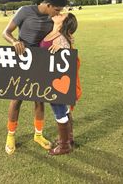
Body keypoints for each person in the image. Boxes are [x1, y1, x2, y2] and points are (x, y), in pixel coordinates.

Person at [2, 0, 67, 155]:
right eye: (57, 10)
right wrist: (15, 41)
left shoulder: (53, 18)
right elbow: (6, 32)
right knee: (17, 99)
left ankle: (38, 135)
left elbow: (63, 35)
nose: (58, 13)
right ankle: (10, 136)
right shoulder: (25, 11)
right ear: (48, 5)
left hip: (40, 60)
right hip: (22, 59)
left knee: (39, 99)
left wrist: (61, 44)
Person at [39, 12, 78, 155]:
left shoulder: (61, 38)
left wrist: (63, 49)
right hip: (49, 78)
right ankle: (68, 138)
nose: (58, 13)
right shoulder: (52, 33)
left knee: (59, 109)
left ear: (64, 22)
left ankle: (64, 146)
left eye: (62, 15)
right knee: (62, 108)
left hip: (56, 81)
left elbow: (68, 56)